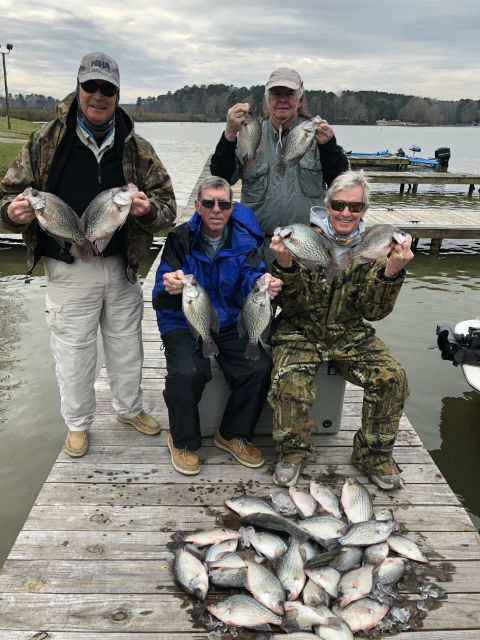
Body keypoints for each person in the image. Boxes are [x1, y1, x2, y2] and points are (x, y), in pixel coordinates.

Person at [0, 52, 176, 457]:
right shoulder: (44, 141)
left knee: (127, 344)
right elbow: (8, 199)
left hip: (121, 266)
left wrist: (148, 210)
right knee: (74, 350)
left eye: (107, 89)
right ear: (78, 87)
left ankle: (129, 408)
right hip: (68, 267)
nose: (98, 95)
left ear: (117, 94)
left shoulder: (138, 147)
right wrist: (12, 212)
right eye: (90, 87)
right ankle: (78, 424)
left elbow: (167, 209)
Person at [268, 170, 413, 491]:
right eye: (339, 204)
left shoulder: (378, 244)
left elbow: (373, 312)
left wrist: (392, 271)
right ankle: (292, 452)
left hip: (350, 331)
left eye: (355, 207)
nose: (346, 212)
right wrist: (286, 266)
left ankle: (373, 456)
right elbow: (292, 305)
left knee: (392, 377)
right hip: (300, 329)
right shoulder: (301, 237)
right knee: (288, 383)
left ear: (364, 210)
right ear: (327, 205)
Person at [152, 175, 282, 475]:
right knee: (186, 372)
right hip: (183, 320)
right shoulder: (180, 238)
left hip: (228, 319)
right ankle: (183, 441)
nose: (216, 209)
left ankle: (232, 434)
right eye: (208, 203)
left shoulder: (245, 239)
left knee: (259, 369)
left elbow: (252, 275)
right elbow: (161, 292)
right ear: (197, 206)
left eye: (223, 204)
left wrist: (263, 282)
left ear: (231, 207)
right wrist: (168, 284)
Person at [210, 67, 349, 265]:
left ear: (300, 100)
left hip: (306, 247)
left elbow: (343, 186)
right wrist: (229, 135)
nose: (282, 99)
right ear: (267, 99)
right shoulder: (250, 133)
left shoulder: (316, 134)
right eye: (276, 93)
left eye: (289, 93)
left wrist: (329, 147)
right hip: (257, 248)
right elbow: (220, 178)